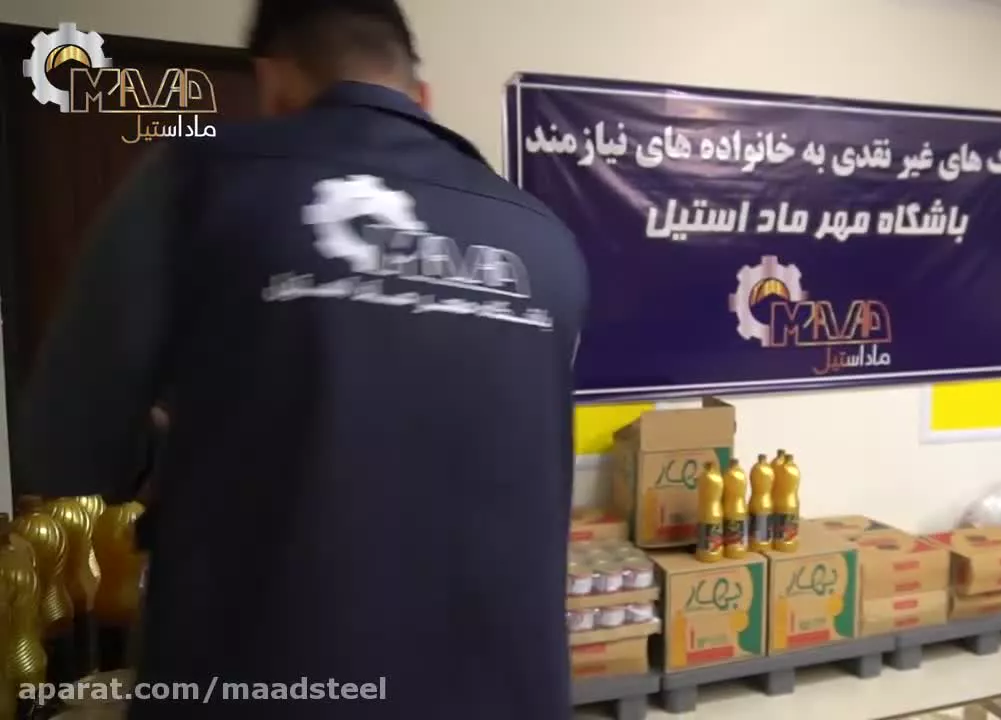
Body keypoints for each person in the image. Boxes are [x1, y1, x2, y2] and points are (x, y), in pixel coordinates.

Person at [15, 0, 587, 717]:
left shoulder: (197, 182)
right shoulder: (545, 237)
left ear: (273, 79)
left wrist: (178, 445)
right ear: (422, 95)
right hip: (504, 690)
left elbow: (62, 448)